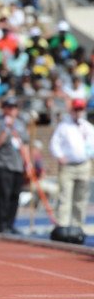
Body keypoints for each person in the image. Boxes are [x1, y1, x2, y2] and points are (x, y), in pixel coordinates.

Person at [48, 98, 94, 238]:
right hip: (68, 167)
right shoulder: (64, 126)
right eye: (76, 109)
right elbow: (54, 144)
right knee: (64, 196)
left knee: (81, 197)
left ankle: (77, 226)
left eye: (81, 109)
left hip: (84, 165)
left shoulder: (87, 127)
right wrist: (60, 156)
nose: (78, 112)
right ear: (71, 110)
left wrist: (88, 155)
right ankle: (63, 226)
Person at [0, 96, 29, 234]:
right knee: (3, 196)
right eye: (9, 107)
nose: (12, 110)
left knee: (15, 196)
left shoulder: (21, 124)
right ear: (5, 109)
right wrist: (7, 128)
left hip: (18, 165)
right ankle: (0, 225)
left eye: (14, 107)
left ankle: (10, 223)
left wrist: (27, 163)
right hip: (3, 164)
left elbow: (25, 144)